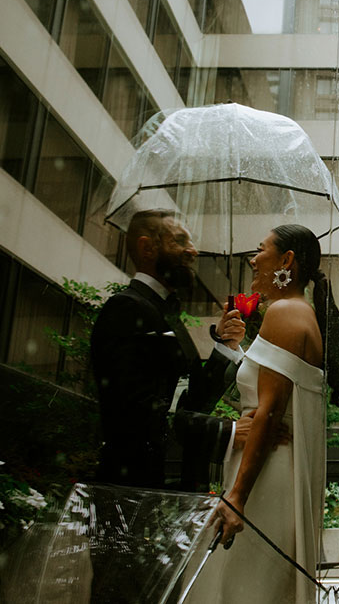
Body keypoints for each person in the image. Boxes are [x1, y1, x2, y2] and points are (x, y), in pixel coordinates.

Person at [194, 224, 339, 603]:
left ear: (286, 260)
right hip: (269, 464)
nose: (253, 259)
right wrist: (233, 345)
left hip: (269, 473)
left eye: (260, 250)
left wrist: (237, 496)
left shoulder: (285, 312)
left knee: (251, 586)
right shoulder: (293, 313)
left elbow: (270, 412)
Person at [91, 209, 246, 493]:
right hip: (132, 488)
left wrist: (226, 346)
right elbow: (135, 409)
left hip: (171, 487)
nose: (193, 250)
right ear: (147, 248)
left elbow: (193, 402)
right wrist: (229, 432)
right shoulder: (126, 308)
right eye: (179, 241)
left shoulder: (164, 313)